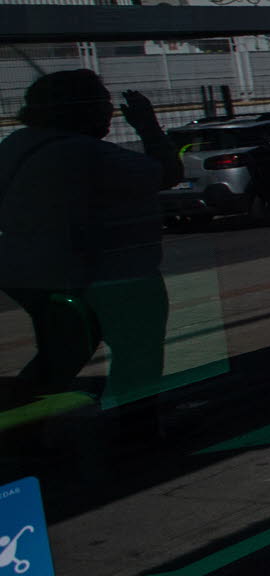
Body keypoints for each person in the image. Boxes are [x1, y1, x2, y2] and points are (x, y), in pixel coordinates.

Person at [0, 70, 177, 419]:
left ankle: (25, 421)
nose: (109, 114)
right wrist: (148, 126)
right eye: (103, 105)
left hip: (36, 274)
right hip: (109, 277)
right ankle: (135, 428)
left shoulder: (16, 146)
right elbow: (167, 173)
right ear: (80, 109)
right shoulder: (84, 154)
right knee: (137, 356)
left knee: (63, 351)